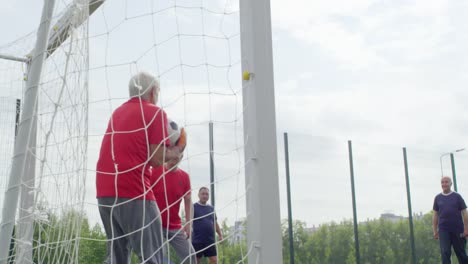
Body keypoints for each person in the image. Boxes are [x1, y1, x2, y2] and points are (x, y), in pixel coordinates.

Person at [96, 71, 185, 264]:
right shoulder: (156, 112)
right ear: (153, 92)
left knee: (118, 258)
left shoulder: (117, 112)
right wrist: (175, 152)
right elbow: (155, 158)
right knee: (151, 256)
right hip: (134, 191)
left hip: (104, 192)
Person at [152, 155, 196, 264]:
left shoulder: (184, 177)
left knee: (191, 256)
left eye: (176, 159)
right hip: (155, 224)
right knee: (158, 257)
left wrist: (189, 223)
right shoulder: (155, 171)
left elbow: (188, 200)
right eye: (170, 158)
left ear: (181, 157)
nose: (172, 161)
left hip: (174, 225)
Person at [433, 176, 468, 264]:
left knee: (461, 253)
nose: (444, 184)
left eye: (446, 182)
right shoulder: (438, 198)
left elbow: (464, 213)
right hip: (444, 230)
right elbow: (435, 215)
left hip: (458, 229)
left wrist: (466, 229)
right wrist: (435, 230)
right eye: (442, 182)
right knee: (445, 253)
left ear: (450, 184)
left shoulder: (457, 197)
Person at [192, 187, 223, 264]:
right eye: (203, 194)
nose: (205, 196)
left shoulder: (211, 208)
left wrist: (220, 235)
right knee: (196, 261)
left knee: (214, 261)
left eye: (207, 194)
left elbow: (215, 223)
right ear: (198, 195)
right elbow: (188, 222)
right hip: (197, 240)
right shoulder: (193, 207)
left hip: (210, 240)